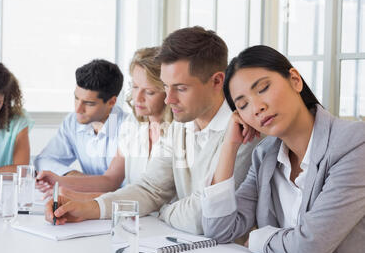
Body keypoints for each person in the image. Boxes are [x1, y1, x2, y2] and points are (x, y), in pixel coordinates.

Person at [44, 26, 261, 235]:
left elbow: (203, 216)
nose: (169, 99)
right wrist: (88, 208)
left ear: (217, 81)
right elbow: (150, 189)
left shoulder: (243, 131)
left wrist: (163, 211)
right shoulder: (180, 125)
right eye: (166, 87)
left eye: (181, 88)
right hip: (187, 249)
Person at [200, 45, 365, 253]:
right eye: (243, 105)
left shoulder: (354, 143)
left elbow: (308, 250)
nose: (257, 108)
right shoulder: (265, 156)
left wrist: (259, 238)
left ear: (295, 80)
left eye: (263, 88)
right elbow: (219, 230)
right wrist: (230, 145)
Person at [36, 47, 173, 196]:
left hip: (141, 210)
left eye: (149, 92)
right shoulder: (134, 125)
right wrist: (62, 179)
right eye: (134, 87)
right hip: (130, 211)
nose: (137, 98)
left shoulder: (127, 125)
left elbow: (119, 188)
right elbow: (110, 181)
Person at [34, 59, 127, 185]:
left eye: (89, 103)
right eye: (76, 98)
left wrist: (79, 182)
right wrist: (72, 175)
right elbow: (43, 160)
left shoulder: (128, 129)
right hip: (85, 198)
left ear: (111, 102)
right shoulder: (73, 122)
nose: (78, 109)